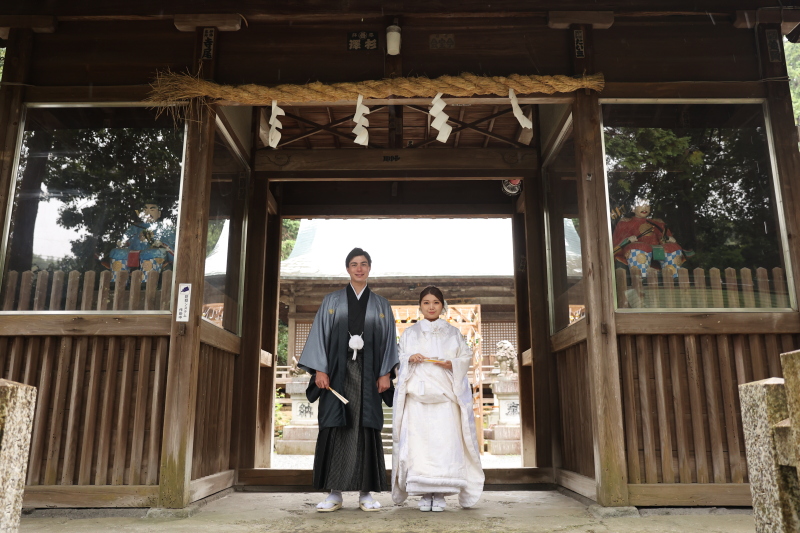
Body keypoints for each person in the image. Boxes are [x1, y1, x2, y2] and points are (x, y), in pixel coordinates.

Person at [298, 247, 398, 512]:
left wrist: (385, 373)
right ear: (347, 269)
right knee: (336, 426)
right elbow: (320, 335)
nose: (359, 269)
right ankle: (334, 492)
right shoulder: (331, 301)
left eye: (363, 264)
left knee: (366, 427)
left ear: (369, 268)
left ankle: (366, 493)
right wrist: (320, 370)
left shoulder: (381, 304)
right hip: (336, 373)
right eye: (354, 264)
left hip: (370, 374)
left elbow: (389, 341)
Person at [392, 286, 484, 512]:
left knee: (445, 444)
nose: (431, 307)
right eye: (426, 302)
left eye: (435, 302)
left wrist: (452, 363)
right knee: (419, 445)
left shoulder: (453, 333)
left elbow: (466, 356)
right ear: (420, 306)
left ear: (443, 306)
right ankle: (424, 492)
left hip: (445, 398)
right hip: (418, 397)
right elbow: (398, 358)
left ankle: (441, 492)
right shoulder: (410, 333)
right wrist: (409, 358)